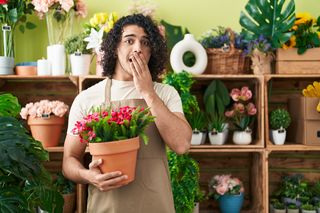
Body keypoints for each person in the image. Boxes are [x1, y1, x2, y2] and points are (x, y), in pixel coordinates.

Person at [62, 14, 192, 213]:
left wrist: (148, 92)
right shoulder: (87, 98)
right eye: (129, 40)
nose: (138, 48)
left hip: (155, 206)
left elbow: (181, 145)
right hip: (106, 207)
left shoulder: (165, 94)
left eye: (145, 42)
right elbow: (69, 159)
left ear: (152, 52)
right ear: (115, 47)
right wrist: (87, 176)